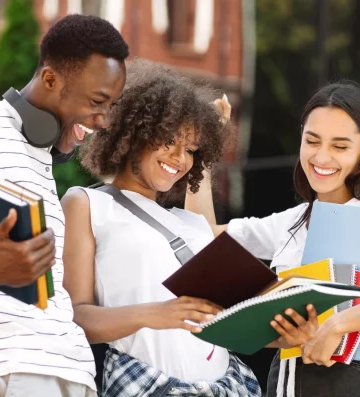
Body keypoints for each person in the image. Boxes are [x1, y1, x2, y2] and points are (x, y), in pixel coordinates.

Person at [186, 82, 360, 397]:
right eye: (312, 141)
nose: (321, 157)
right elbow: (199, 235)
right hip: (286, 381)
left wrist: (338, 325)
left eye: (340, 146)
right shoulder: (294, 220)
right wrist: (203, 153)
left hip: (347, 383)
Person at [61, 60, 261, 397]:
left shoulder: (192, 223)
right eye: (169, 140)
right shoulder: (88, 204)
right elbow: (75, 318)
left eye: (192, 150)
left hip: (228, 385)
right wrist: (156, 314)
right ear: (133, 132)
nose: (180, 157)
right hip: (148, 385)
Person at [0, 14, 128, 397]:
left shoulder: (39, 157)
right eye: (98, 101)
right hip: (10, 369)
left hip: (72, 372)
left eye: (111, 105)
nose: (103, 120)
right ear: (50, 80)